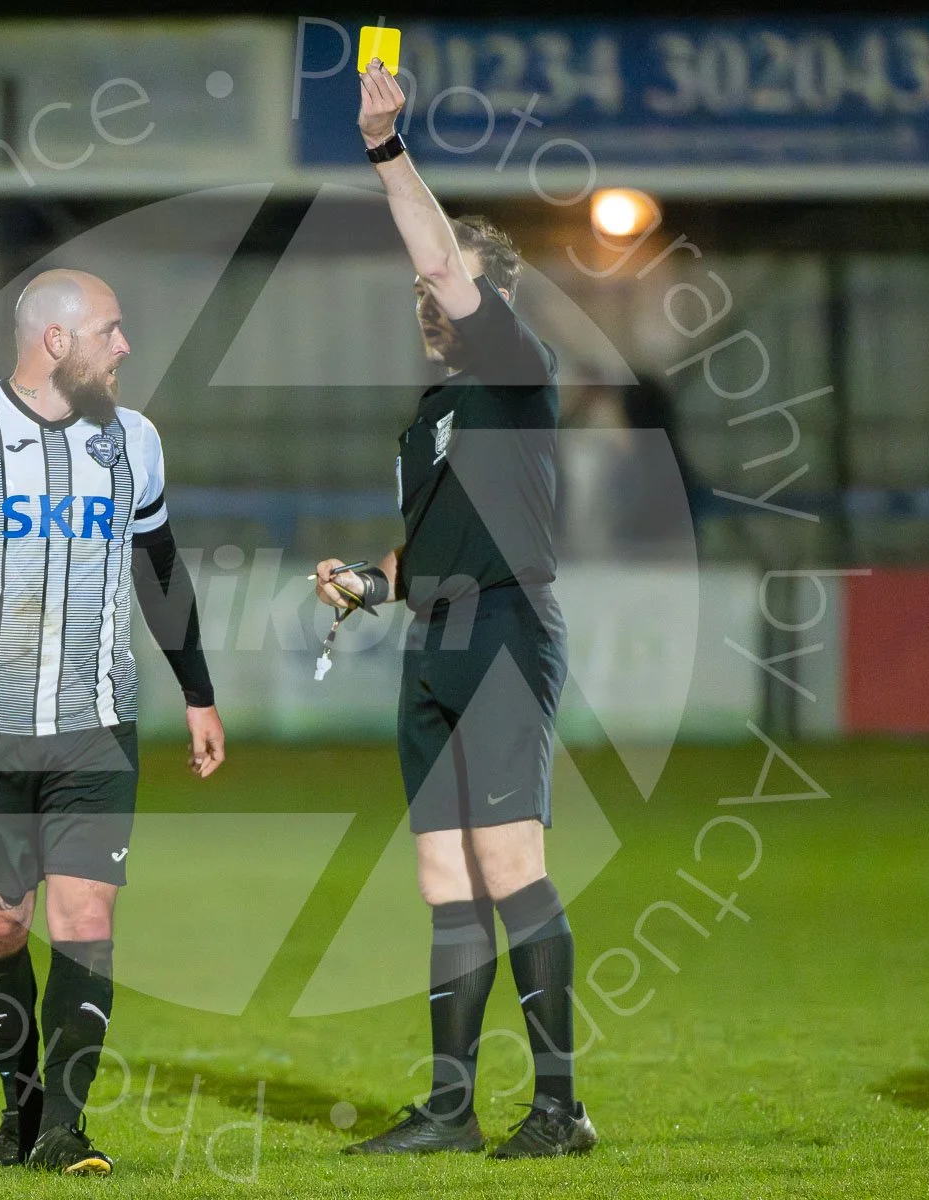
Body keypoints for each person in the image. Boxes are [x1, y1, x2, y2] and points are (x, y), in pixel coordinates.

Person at [0, 268, 226, 1176]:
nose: (125, 347)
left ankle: (66, 1127)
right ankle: (21, 1107)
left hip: (98, 724)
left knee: (85, 914)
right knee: (0, 925)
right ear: (56, 341)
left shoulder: (134, 440)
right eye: (111, 330)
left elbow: (160, 570)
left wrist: (197, 689)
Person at [313, 60, 596, 1159]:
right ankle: (448, 1108)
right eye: (427, 290)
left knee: (511, 866)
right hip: (432, 641)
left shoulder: (516, 375)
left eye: (453, 283)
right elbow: (427, 546)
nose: (432, 294)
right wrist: (370, 583)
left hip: (502, 636)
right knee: (445, 878)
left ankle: (561, 1110)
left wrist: (389, 152)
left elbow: (437, 248)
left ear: (495, 300)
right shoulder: (432, 412)